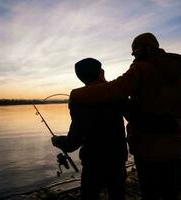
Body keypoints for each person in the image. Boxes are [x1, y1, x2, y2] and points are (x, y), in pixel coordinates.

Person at [70, 33, 181, 200]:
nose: (134, 56)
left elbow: (114, 90)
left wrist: (76, 94)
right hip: (172, 141)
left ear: (141, 49)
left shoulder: (141, 68)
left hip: (147, 142)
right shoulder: (180, 74)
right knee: (170, 189)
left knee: (150, 191)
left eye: (134, 52)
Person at [52, 58, 128, 200]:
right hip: (116, 160)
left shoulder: (79, 100)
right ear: (100, 72)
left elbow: (73, 142)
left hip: (93, 162)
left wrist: (57, 141)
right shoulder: (116, 93)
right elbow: (135, 116)